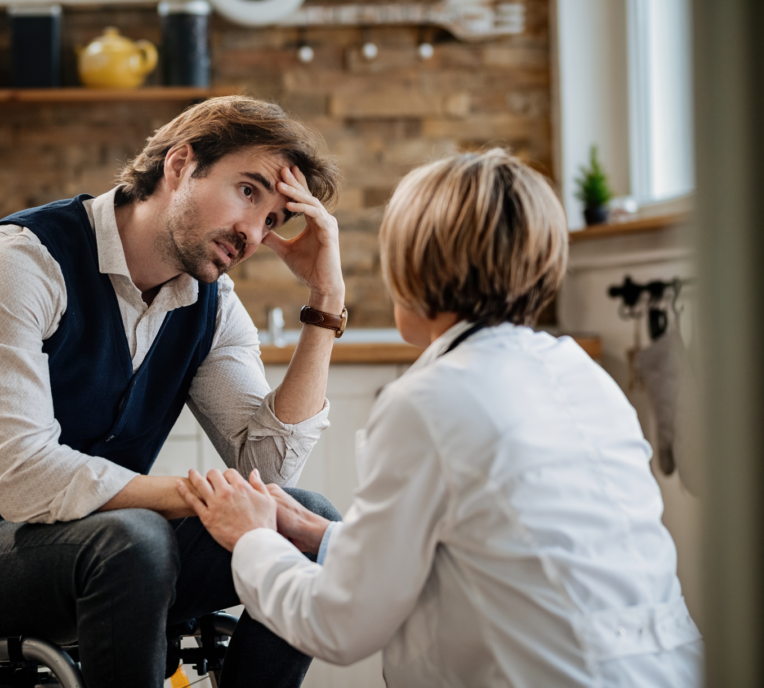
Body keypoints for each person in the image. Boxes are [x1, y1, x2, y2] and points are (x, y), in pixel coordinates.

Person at [177, 150, 704, 686]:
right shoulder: (581, 373)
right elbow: (492, 548)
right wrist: (325, 537)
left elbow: (338, 625)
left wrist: (251, 538)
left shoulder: (429, 400)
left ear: (415, 267)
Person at [0, 96, 344, 688]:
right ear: (180, 164)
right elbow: (23, 477)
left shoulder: (211, 307)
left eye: (274, 220)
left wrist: (325, 303)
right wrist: (197, 495)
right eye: (250, 191)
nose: (252, 233)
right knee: (136, 536)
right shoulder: (20, 261)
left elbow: (269, 468)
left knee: (305, 525)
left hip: (102, 552)